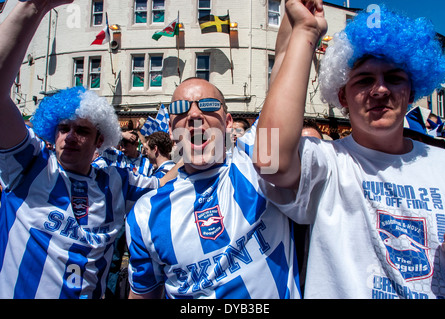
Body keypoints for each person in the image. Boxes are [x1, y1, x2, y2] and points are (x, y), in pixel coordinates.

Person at [255, 0, 445, 298]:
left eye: (394, 78)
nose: (380, 89)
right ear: (343, 97)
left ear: (411, 93)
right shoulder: (328, 163)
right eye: (364, 80)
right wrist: (305, 32)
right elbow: (268, 157)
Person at [0, 0, 174, 299]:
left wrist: (197, 145)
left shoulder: (117, 181)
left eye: (82, 131)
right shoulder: (30, 165)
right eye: (63, 128)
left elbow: (168, 182)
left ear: (99, 141)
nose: (69, 137)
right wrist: (33, 7)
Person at [125, 77, 302, 299]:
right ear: (170, 130)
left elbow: (284, 82)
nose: (194, 115)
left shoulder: (257, 164)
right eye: (180, 109)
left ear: (228, 123)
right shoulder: (145, 214)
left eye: (208, 105)